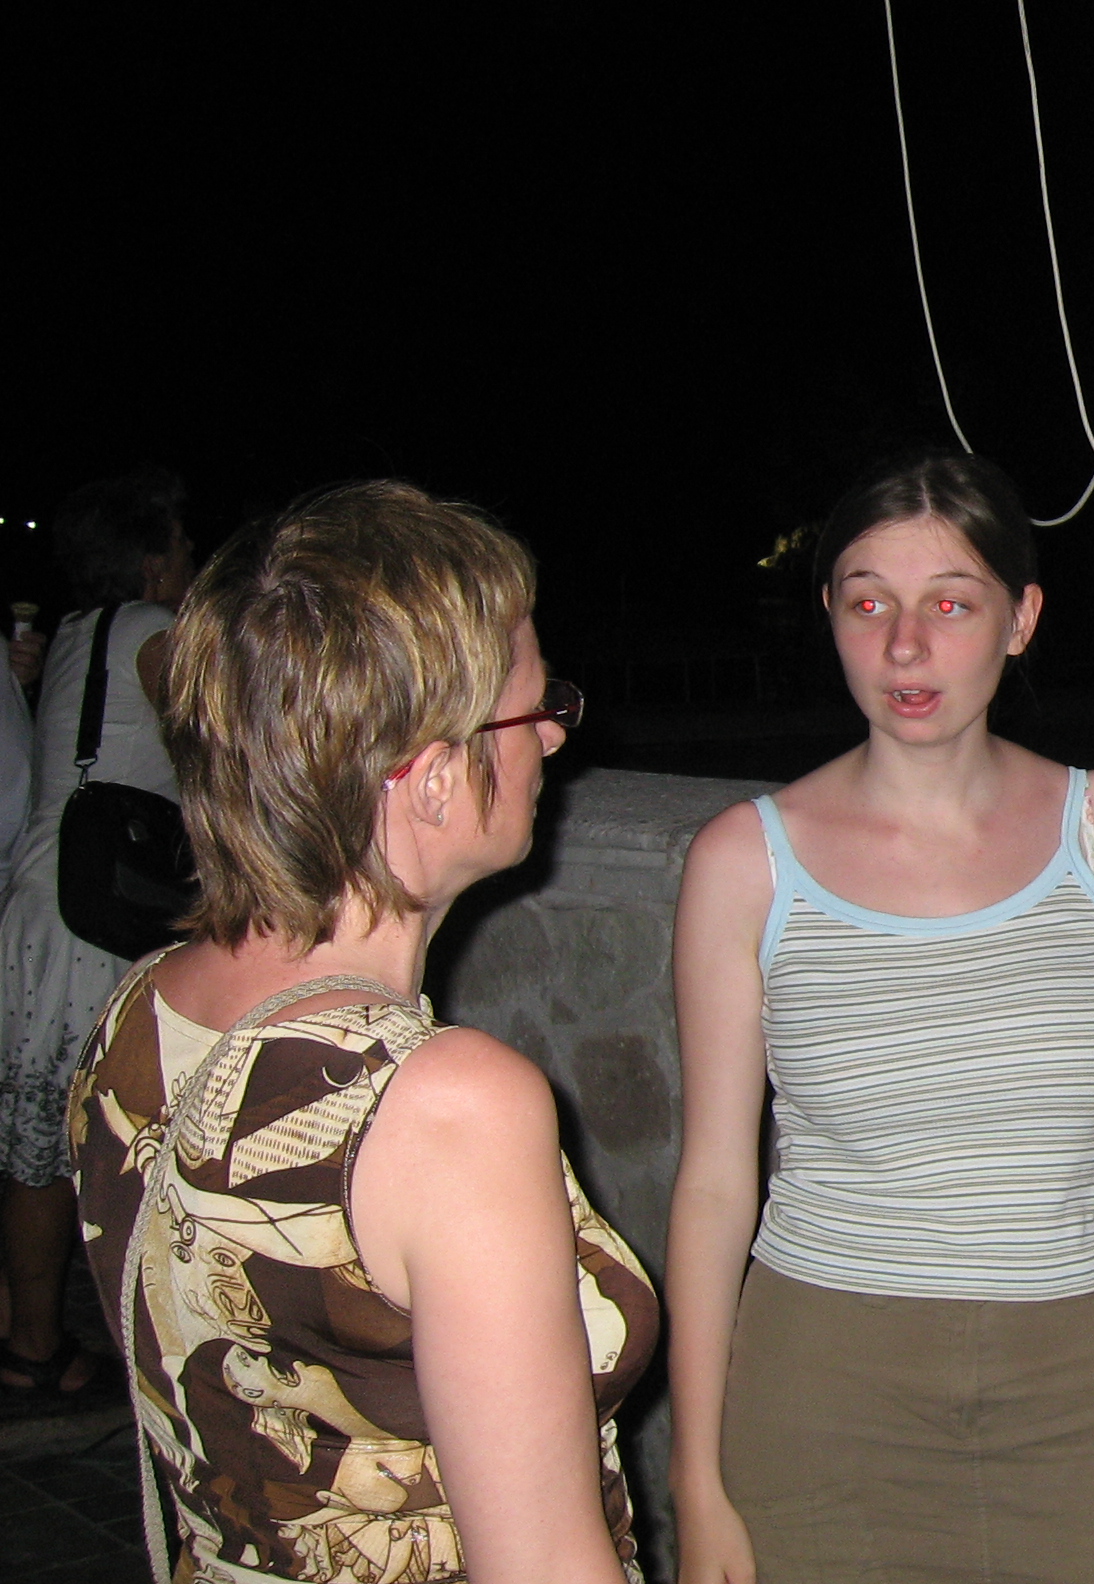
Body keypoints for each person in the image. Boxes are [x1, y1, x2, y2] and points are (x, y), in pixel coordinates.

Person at [668, 451, 1094, 1584]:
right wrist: (696, 1477)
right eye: (867, 603)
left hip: (1080, 1376)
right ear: (829, 616)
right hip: (827, 1382)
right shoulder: (746, 863)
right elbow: (716, 1184)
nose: (904, 647)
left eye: (950, 605)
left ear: (1020, 620)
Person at [67, 481, 654, 1582]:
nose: (555, 738)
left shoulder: (142, 1009)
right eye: (537, 710)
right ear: (430, 782)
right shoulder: (443, 1107)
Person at [0, 470, 193, 1401]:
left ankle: (32, 1336)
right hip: (89, 914)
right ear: (152, 563)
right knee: (74, 1143)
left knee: (39, 1140)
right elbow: (226, 734)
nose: (193, 564)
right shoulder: (153, 630)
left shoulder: (80, 631)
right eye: (184, 550)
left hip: (45, 903)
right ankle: (39, 1345)